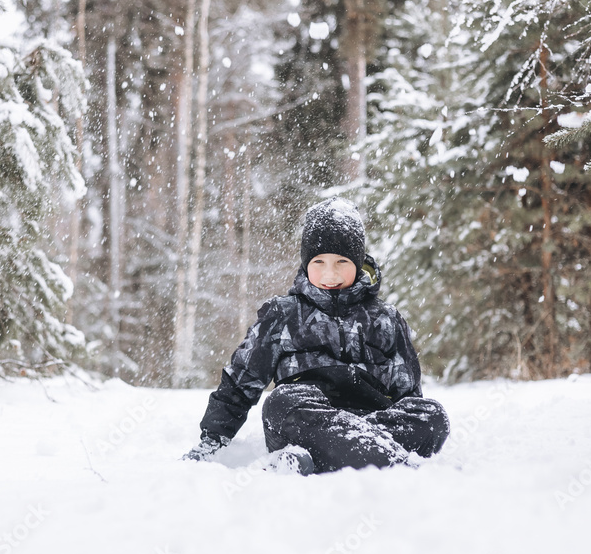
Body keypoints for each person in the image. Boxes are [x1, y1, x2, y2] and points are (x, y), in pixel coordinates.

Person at [182, 197, 450, 474]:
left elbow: (408, 395)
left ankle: (342, 456)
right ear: (306, 262)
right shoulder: (282, 313)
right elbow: (240, 383)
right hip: (306, 416)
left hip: (371, 418)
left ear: (358, 263)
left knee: (432, 415)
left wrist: (405, 419)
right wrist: (211, 439)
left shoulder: (386, 319)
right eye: (318, 261)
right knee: (281, 402)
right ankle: (391, 461)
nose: (329, 274)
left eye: (342, 261)